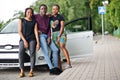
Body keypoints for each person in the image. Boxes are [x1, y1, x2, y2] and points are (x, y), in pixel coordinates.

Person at [34, 4, 62, 75]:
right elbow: (29, 22)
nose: (43, 10)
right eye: (42, 8)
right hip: (41, 36)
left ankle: (56, 68)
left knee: (55, 50)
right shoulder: (35, 16)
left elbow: (50, 28)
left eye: (44, 8)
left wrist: (49, 37)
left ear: (46, 10)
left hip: (47, 35)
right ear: (39, 10)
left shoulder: (48, 17)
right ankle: (51, 69)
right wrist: (37, 31)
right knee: (46, 52)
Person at [18, 8, 40, 77]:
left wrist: (38, 42)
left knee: (32, 53)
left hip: (32, 39)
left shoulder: (34, 22)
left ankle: (31, 71)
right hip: (23, 39)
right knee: (21, 52)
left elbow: (36, 32)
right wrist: (24, 41)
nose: (29, 14)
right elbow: (19, 31)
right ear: (25, 13)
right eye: (28, 12)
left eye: (31, 13)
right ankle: (22, 71)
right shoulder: (21, 20)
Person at [50, 4, 72, 69]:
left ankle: (69, 63)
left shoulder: (60, 17)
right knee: (57, 50)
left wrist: (59, 35)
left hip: (61, 33)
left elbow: (62, 26)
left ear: (58, 10)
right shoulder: (50, 17)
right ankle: (59, 67)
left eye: (56, 9)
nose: (54, 10)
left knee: (62, 46)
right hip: (54, 34)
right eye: (53, 9)